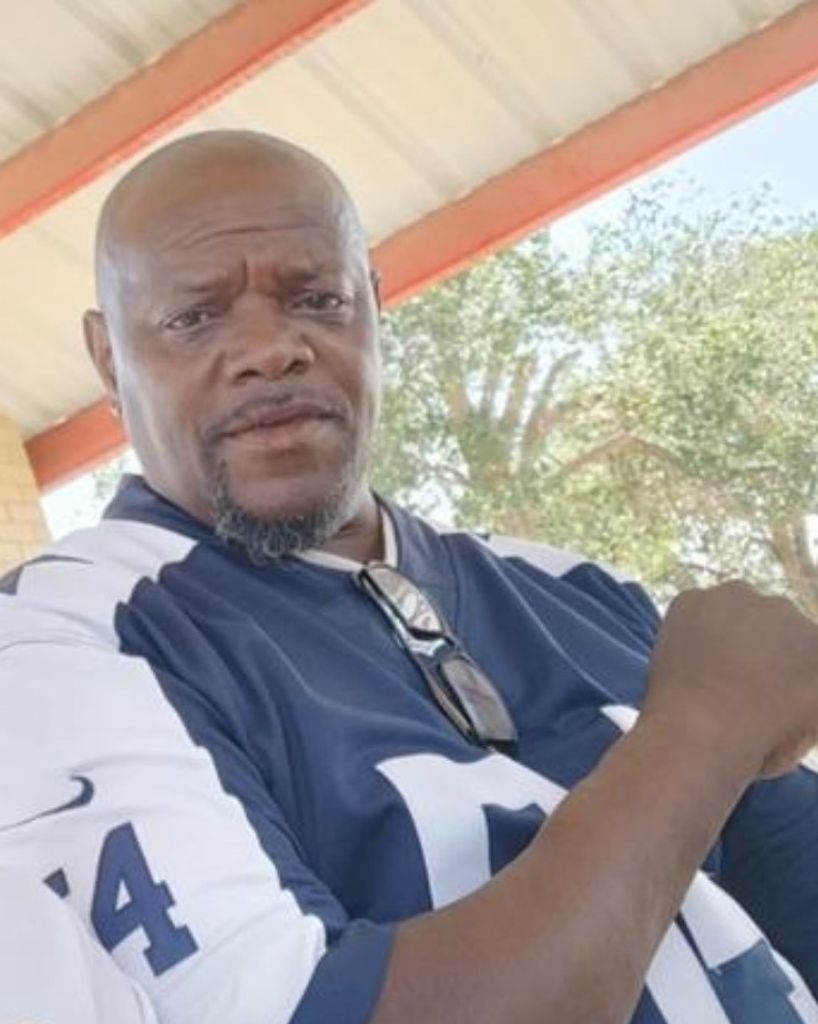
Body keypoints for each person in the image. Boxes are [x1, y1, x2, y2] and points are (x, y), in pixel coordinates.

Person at [0, 129, 817, 1024]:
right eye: (194, 317)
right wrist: (700, 729)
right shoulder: (66, 639)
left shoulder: (575, 590)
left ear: (375, 309)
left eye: (318, 298)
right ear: (109, 359)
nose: (270, 349)